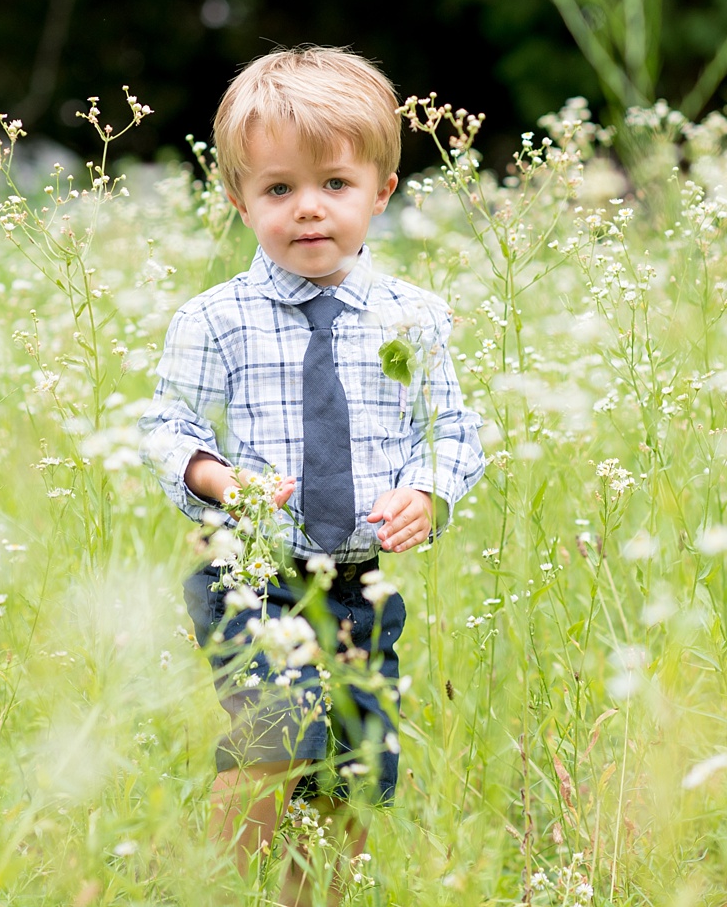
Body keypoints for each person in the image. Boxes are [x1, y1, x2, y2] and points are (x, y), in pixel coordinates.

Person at [139, 46, 485, 904]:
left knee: (353, 765)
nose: (309, 210)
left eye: (335, 184)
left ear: (382, 192)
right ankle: (210, 886)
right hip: (252, 575)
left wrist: (429, 490)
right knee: (276, 730)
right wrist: (222, 481)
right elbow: (164, 428)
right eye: (279, 189)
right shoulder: (214, 319)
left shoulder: (417, 316)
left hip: (359, 583)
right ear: (239, 201)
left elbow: (448, 429)